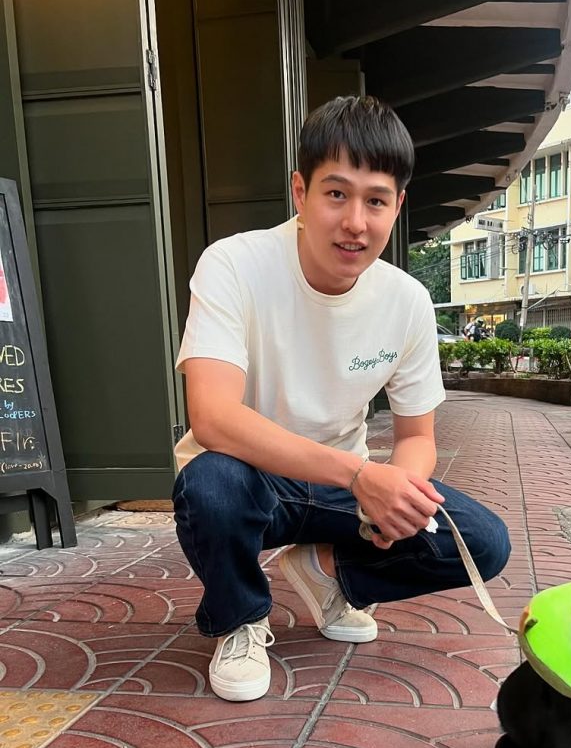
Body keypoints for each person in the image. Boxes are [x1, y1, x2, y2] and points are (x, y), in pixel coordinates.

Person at [172, 95, 511, 702]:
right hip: (254, 480)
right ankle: (240, 617)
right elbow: (213, 417)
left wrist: (397, 495)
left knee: (483, 540)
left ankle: (328, 573)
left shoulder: (406, 301)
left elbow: (417, 437)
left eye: (375, 201)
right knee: (210, 484)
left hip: (340, 494)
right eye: (336, 194)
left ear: (397, 206)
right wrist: (360, 477)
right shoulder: (234, 265)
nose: (355, 222)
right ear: (300, 192)